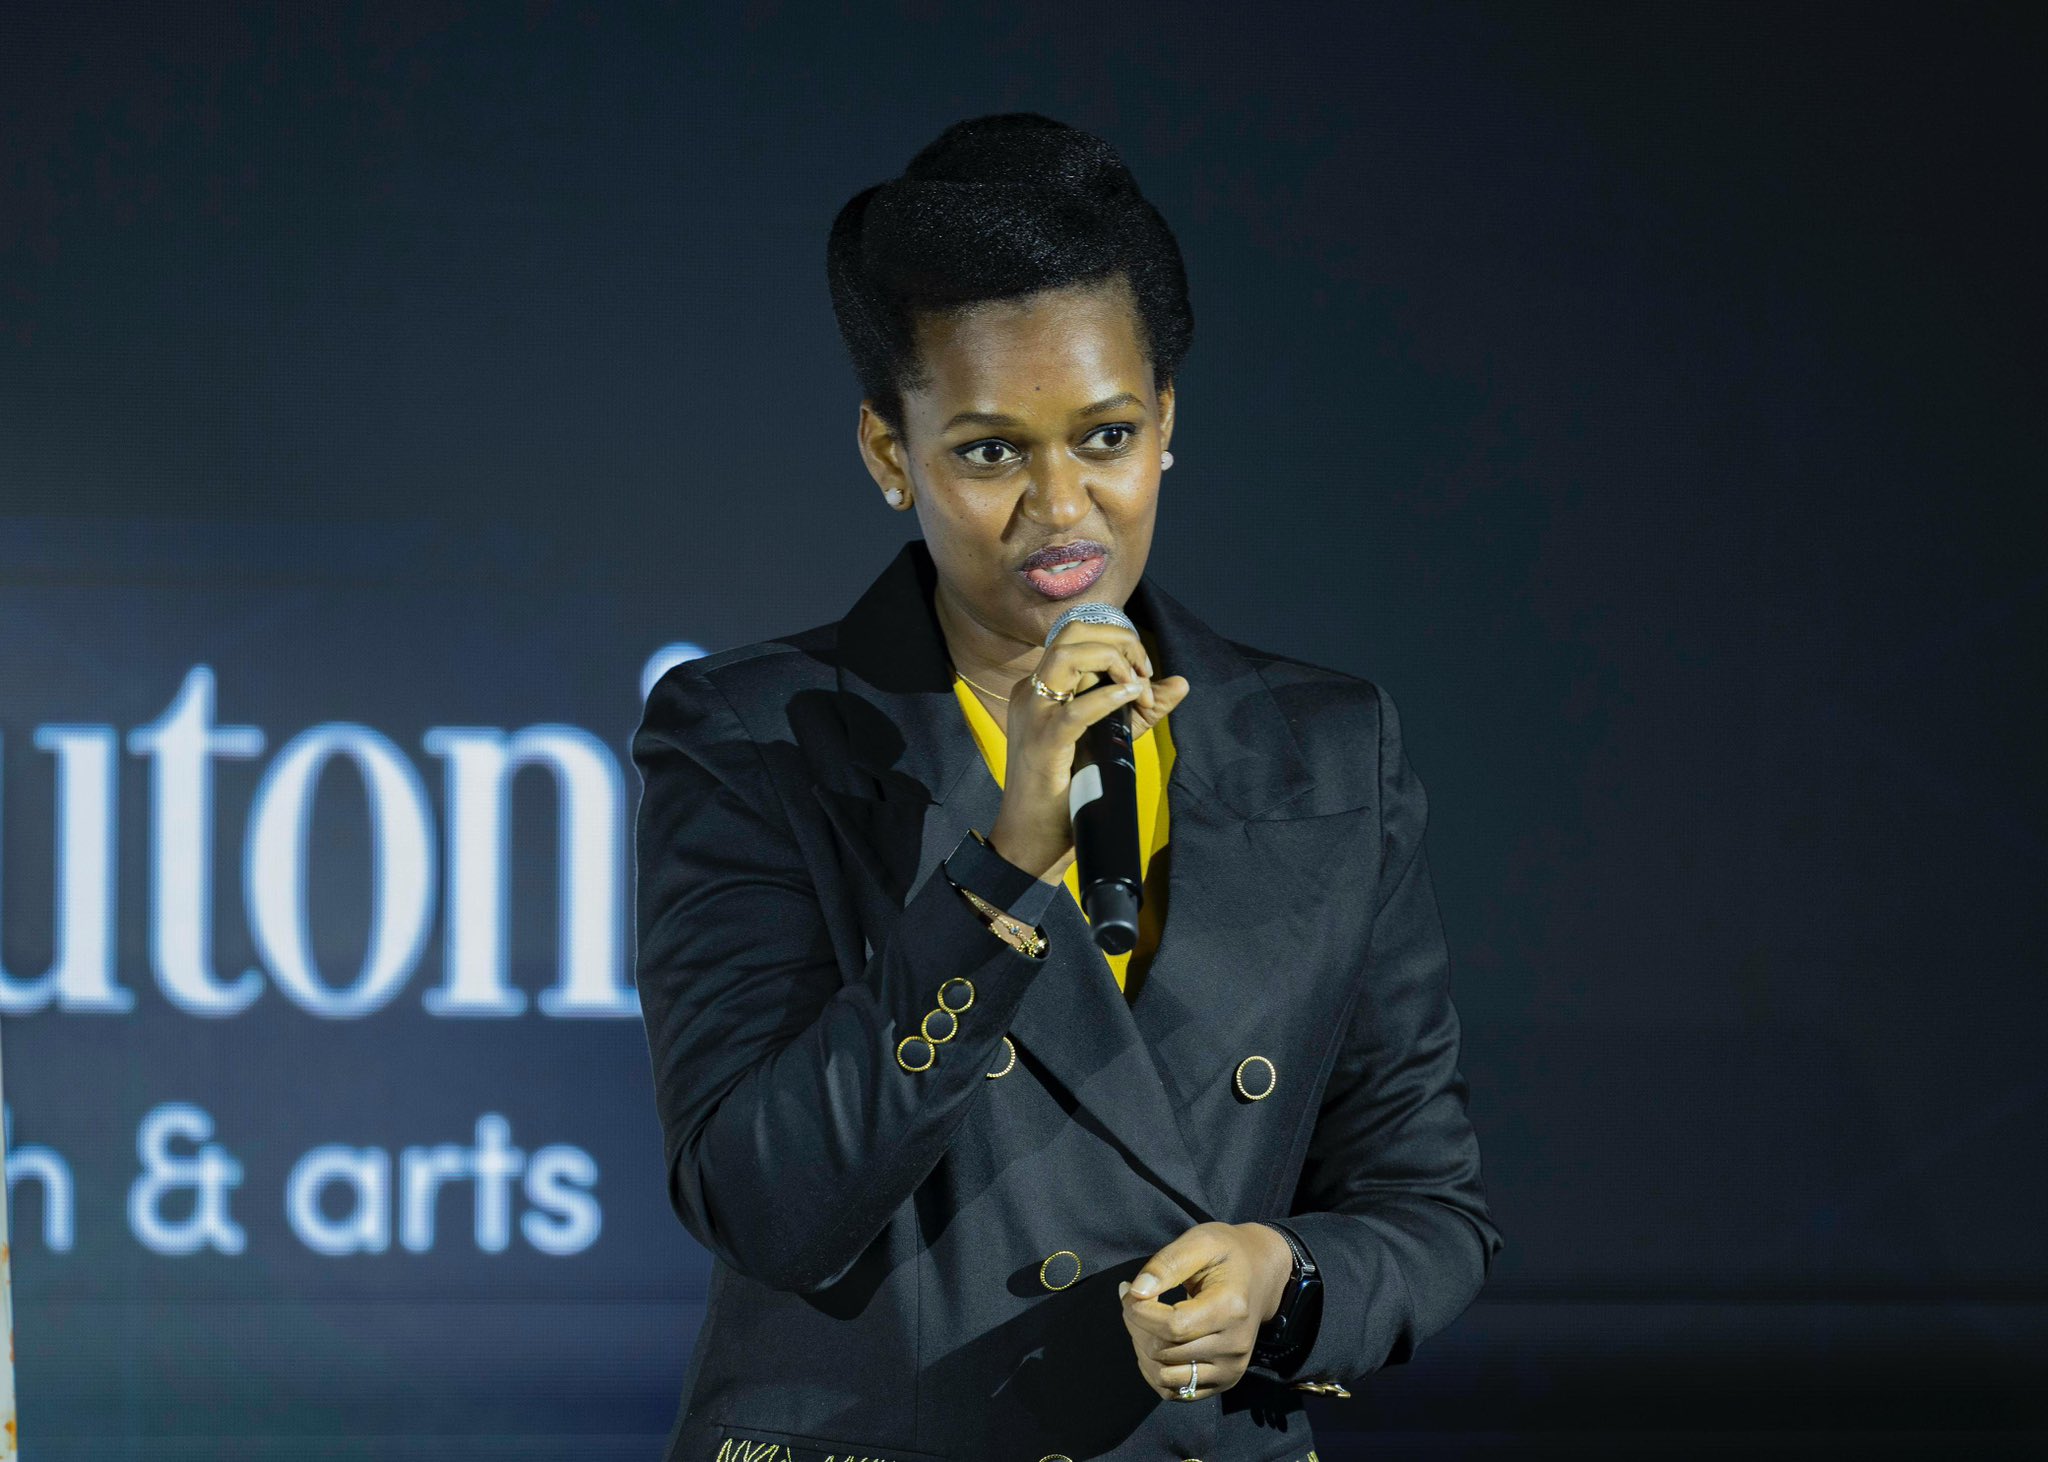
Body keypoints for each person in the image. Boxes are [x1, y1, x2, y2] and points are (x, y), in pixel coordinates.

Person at [631, 113, 1503, 1462]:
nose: (1060, 506)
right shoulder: (749, 739)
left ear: (1167, 424)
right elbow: (765, 1203)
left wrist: (1287, 1283)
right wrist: (1000, 867)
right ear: (889, 452)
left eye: (1104, 435)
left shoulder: (1331, 752)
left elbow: (1427, 1207)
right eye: (991, 450)